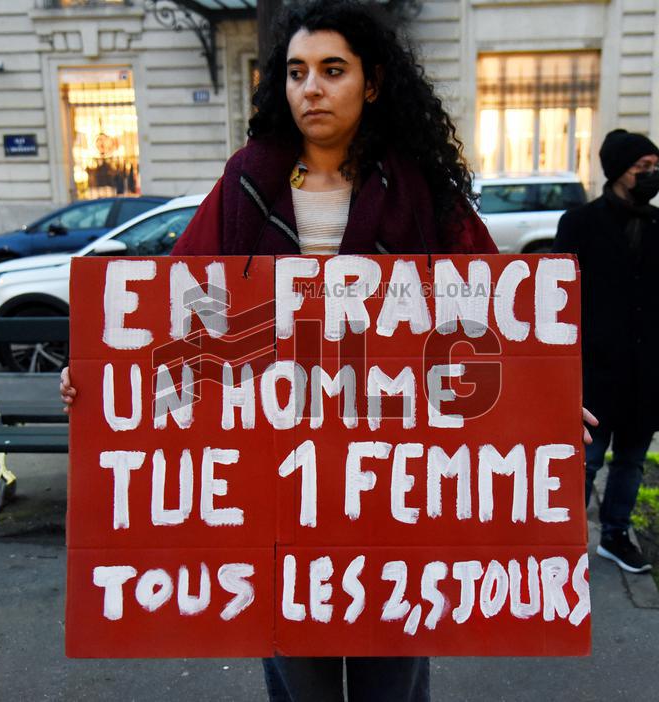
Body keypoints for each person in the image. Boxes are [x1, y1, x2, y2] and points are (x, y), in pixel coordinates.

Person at [61, 1, 594, 698]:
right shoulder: (245, 183)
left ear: (372, 84)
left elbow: (496, 312)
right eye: (296, 72)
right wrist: (101, 373)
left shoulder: (419, 188)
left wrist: (546, 402)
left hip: (393, 491)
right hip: (276, 490)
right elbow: (173, 304)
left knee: (391, 676)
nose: (311, 88)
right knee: (298, 675)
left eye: (332, 70)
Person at [553, 129, 659, 575]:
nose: (652, 175)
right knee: (585, 460)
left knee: (632, 461)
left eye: (655, 166)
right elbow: (557, 292)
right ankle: (566, 541)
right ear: (618, 171)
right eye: (642, 167)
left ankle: (616, 536)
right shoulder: (579, 223)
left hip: (650, 369)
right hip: (596, 369)